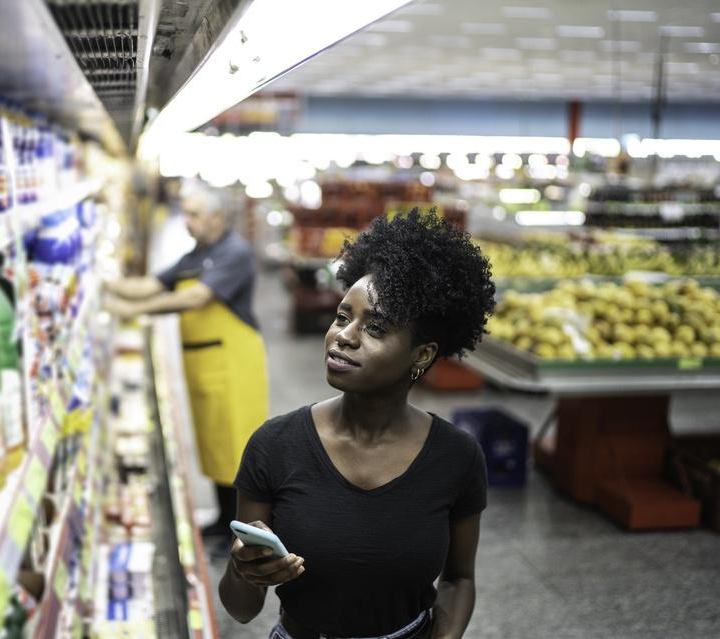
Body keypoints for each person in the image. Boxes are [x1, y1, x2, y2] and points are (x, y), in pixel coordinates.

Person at [219, 210, 497, 639]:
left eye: (376, 327)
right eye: (343, 316)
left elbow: (460, 579)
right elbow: (240, 610)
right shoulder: (273, 446)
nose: (344, 336)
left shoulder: (456, 457)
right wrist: (245, 570)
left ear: (422, 355)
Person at [104, 181, 268, 550]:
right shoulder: (196, 254)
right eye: (187, 213)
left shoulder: (234, 253)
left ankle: (242, 532)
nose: (187, 221)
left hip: (233, 363)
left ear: (216, 216)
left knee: (237, 447)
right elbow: (152, 284)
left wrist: (134, 311)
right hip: (203, 361)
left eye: (194, 214)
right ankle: (223, 521)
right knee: (212, 443)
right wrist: (107, 286)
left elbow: (195, 298)